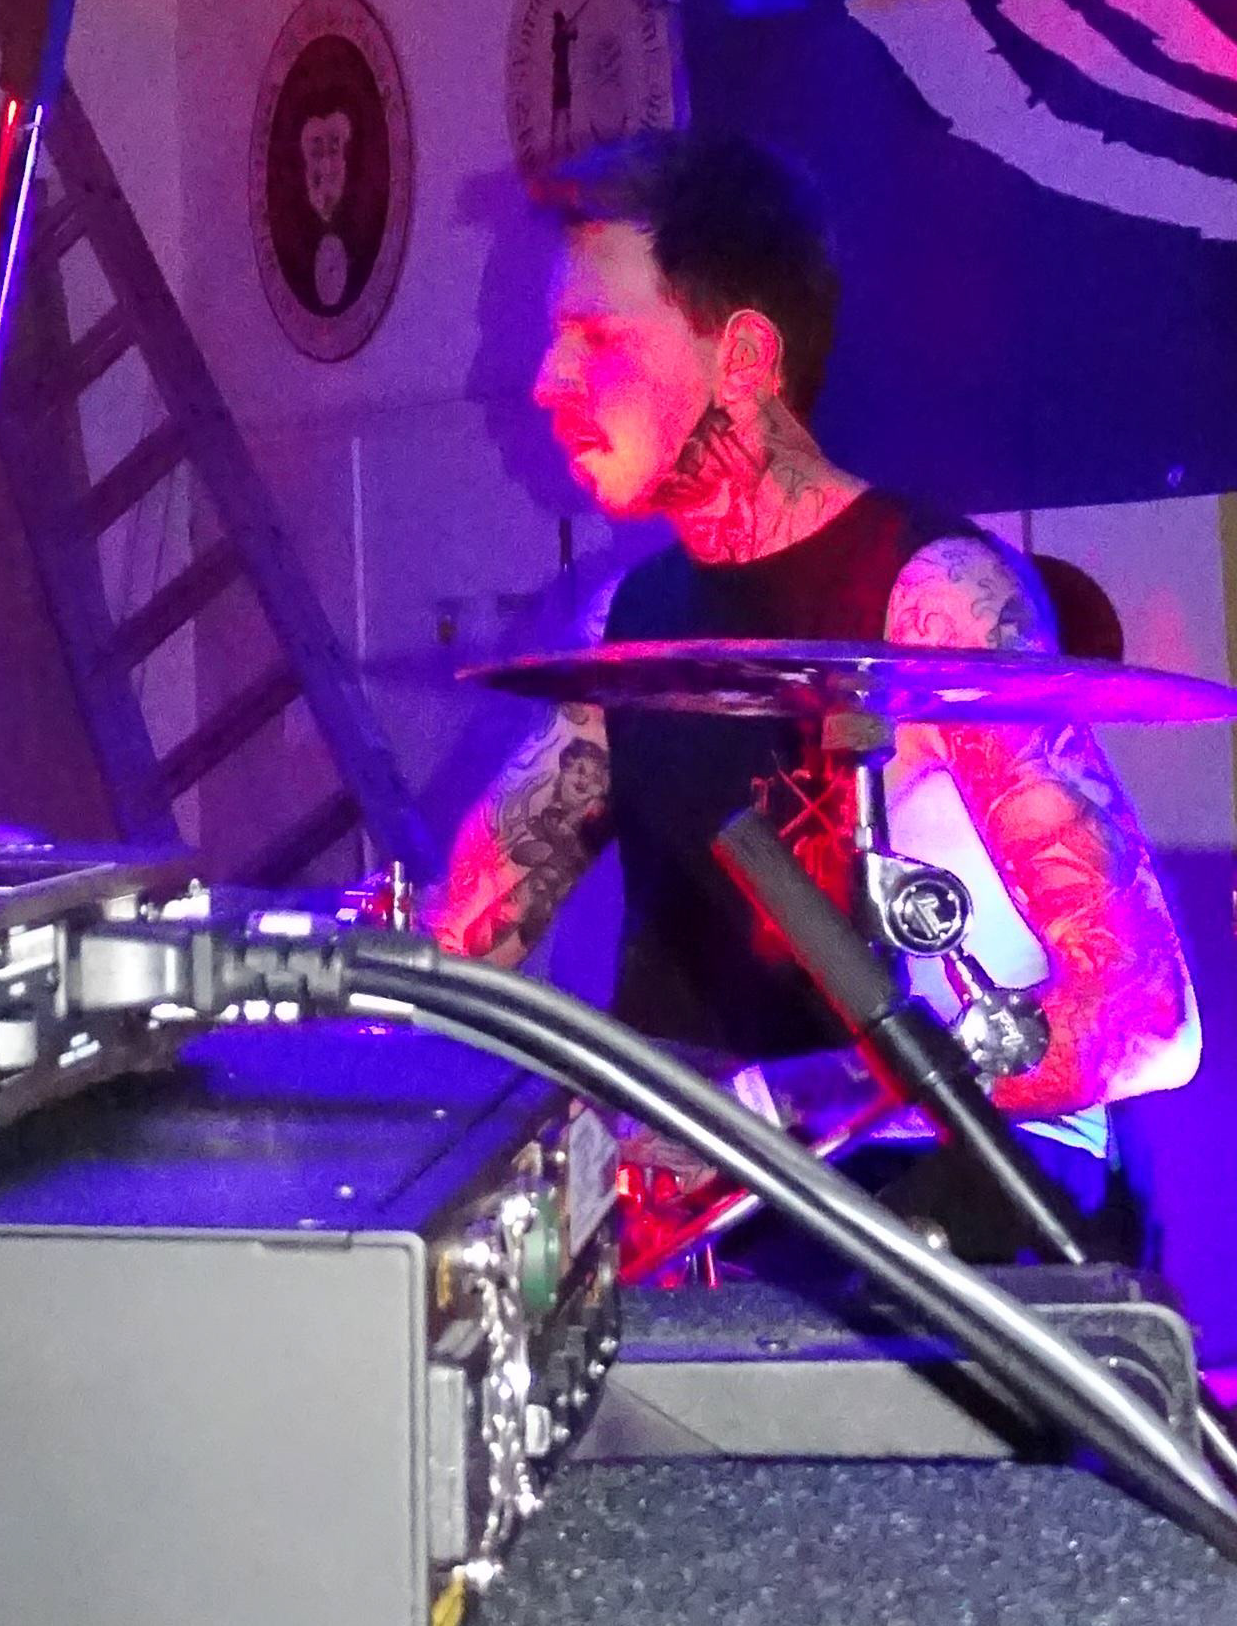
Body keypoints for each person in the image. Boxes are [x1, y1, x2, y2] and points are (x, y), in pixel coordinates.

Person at [432, 130, 1198, 1199]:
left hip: (919, 1230)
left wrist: (770, 1112)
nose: (546, 382)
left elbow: (1143, 1015)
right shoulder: (631, 624)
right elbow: (460, 953)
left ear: (744, 358)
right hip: (696, 1243)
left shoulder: (933, 600)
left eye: (596, 337)